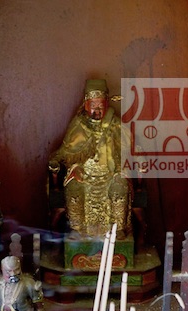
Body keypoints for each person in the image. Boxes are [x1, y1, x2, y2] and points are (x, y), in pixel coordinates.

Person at [49, 79, 131, 239]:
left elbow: (128, 147)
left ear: (106, 104)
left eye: (100, 105)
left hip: (110, 174)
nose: (97, 109)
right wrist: (58, 161)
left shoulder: (115, 123)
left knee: (120, 189)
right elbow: (67, 150)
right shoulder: (79, 124)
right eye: (93, 105)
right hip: (84, 175)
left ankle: (118, 228)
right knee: (73, 189)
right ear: (86, 105)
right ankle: (77, 228)